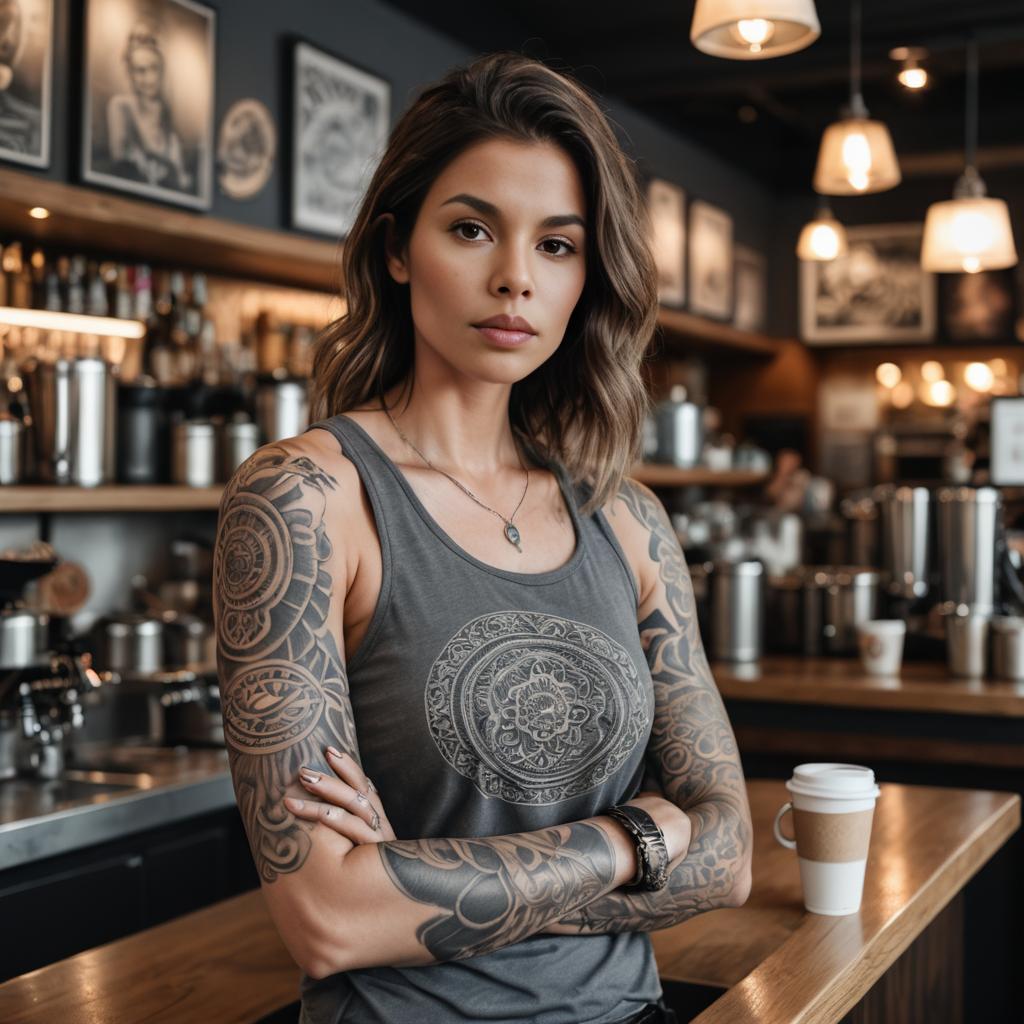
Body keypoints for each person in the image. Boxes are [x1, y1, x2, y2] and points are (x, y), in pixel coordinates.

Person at [212, 51, 753, 1024]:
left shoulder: (624, 518)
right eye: (471, 229)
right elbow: (330, 918)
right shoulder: (304, 499)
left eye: (556, 245)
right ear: (395, 247)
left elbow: (727, 856)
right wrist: (635, 839)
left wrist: (410, 885)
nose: (514, 278)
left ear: (588, 274)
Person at [105, 20, 192, 191]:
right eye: (141, 70)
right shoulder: (120, 107)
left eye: (154, 69)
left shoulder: (170, 129)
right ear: (130, 73)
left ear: (162, 71)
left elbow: (183, 182)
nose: (149, 78)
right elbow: (119, 159)